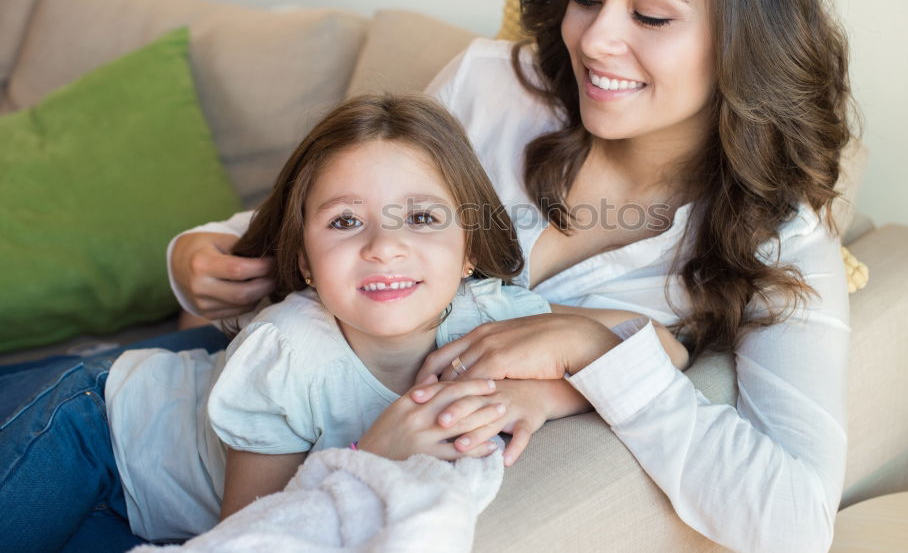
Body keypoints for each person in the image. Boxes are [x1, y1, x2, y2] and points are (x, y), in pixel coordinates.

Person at [111, 0, 856, 550]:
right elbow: (331, 219)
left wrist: (592, 350)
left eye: (651, 13)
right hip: (135, 424)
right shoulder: (496, 87)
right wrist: (192, 257)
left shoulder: (780, 244)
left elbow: (794, 522)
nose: (594, 38)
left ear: (744, 40)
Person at [0, 94, 690, 551]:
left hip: (153, 516)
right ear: (303, 258)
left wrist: (546, 390)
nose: (384, 245)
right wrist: (369, 460)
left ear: (471, 249)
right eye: (345, 221)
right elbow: (254, 531)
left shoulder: (490, 316)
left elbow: (663, 345)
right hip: (91, 432)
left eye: (421, 218)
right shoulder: (289, 351)